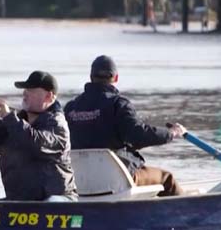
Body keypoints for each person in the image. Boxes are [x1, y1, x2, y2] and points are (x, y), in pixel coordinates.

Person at [64, 55, 188, 196]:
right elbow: (137, 135)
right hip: (117, 181)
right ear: (116, 78)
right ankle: (188, 213)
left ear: (90, 77)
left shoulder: (70, 108)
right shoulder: (119, 104)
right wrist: (171, 133)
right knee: (166, 178)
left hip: (81, 182)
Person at [0, 70, 77, 201]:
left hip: (59, 200)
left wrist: (9, 117)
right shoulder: (16, 122)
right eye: (25, 89)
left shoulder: (57, 125)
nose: (24, 94)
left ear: (49, 96)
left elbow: (35, 144)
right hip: (22, 202)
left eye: (31, 90)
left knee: (51, 203)